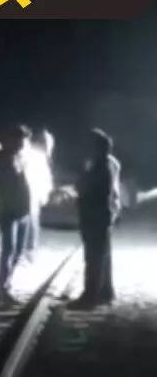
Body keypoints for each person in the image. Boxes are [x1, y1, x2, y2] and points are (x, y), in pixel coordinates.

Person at [0, 125, 33, 304]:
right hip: (8, 209)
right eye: (20, 139)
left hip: (23, 209)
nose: (22, 143)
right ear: (10, 139)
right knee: (8, 250)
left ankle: (7, 286)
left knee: (18, 251)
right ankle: (3, 290)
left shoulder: (20, 156)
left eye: (24, 140)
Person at [72, 128, 121, 309]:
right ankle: (105, 291)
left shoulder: (98, 167)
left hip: (94, 215)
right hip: (104, 214)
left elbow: (85, 188)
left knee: (93, 257)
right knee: (103, 255)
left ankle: (90, 296)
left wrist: (78, 186)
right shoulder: (110, 163)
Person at [23, 128, 54, 263]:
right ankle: (25, 250)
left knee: (32, 222)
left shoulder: (37, 156)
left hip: (32, 193)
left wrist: (44, 193)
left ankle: (30, 250)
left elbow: (45, 176)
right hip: (23, 193)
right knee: (26, 222)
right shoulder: (21, 155)